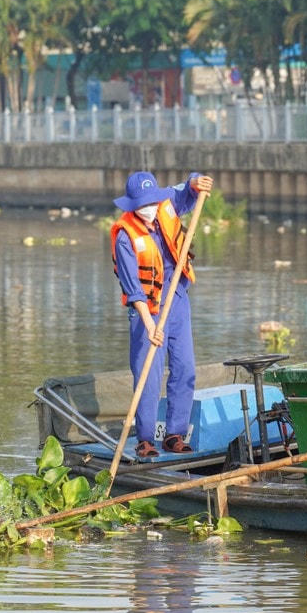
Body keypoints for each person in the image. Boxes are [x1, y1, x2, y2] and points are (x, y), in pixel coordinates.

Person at [111, 170, 212, 458]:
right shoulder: (125, 237)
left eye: (151, 202)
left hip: (176, 297)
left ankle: (174, 434)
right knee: (149, 372)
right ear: (132, 205)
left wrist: (196, 181)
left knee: (184, 367)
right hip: (147, 307)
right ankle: (145, 439)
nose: (149, 208)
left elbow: (187, 189)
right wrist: (149, 325)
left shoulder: (165, 205)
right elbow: (133, 290)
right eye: (142, 204)